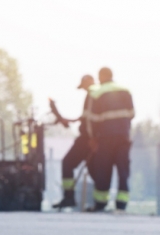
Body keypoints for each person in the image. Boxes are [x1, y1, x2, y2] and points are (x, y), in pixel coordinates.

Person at [85, 67, 134, 211]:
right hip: (123, 137)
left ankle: (101, 203)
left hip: (105, 138)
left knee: (103, 170)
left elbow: (92, 119)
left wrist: (93, 138)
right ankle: (121, 204)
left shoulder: (96, 93)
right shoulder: (126, 90)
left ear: (100, 77)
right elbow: (131, 114)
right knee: (123, 170)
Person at [52, 74, 96, 209]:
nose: (83, 89)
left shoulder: (92, 95)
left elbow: (90, 120)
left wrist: (92, 137)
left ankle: (69, 197)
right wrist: (68, 120)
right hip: (90, 138)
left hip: (87, 139)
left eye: (84, 86)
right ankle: (98, 202)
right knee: (94, 169)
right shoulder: (92, 96)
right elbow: (84, 118)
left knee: (67, 163)